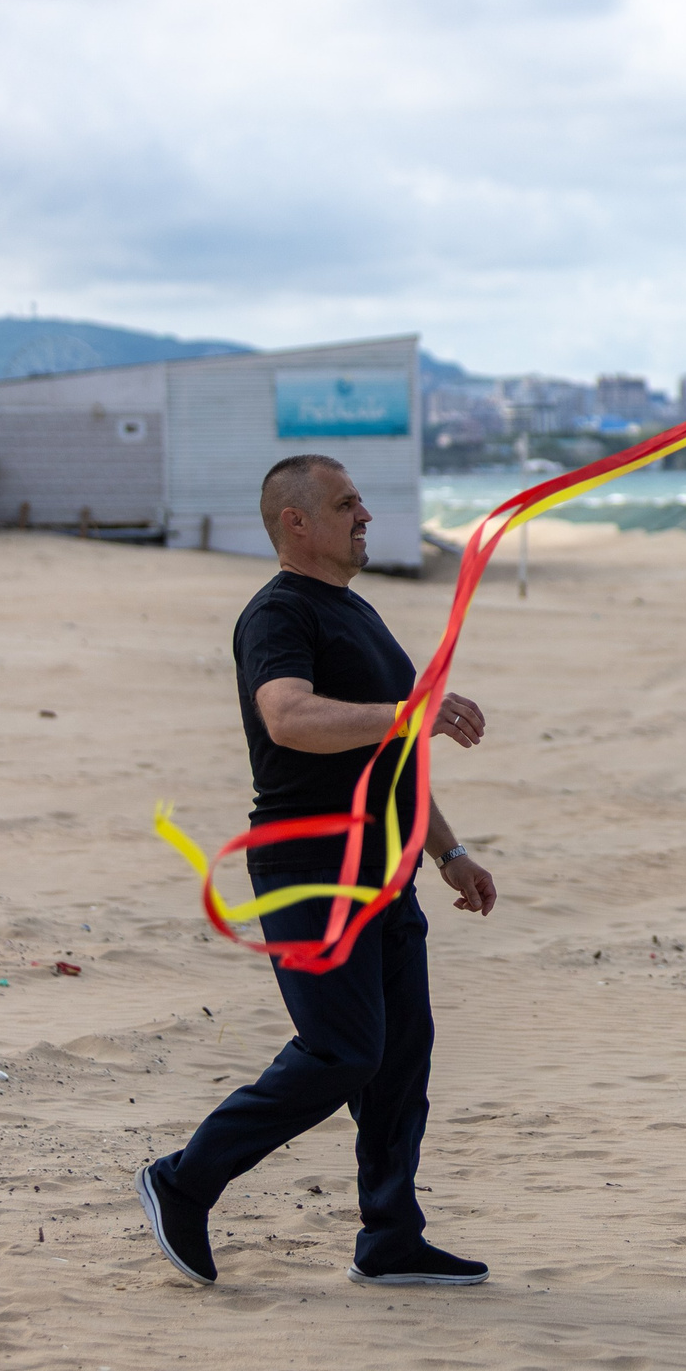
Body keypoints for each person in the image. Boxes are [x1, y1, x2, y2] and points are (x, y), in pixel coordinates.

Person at [137, 454, 501, 1288]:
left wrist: (449, 852)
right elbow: (289, 716)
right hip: (312, 868)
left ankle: (390, 1237)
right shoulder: (276, 614)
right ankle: (183, 1179)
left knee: (403, 1055)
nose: (365, 514)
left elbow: (395, 749)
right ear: (295, 522)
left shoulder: (357, 611)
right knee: (343, 1051)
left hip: (388, 869)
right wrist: (408, 710)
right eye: (346, 504)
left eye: (362, 502)